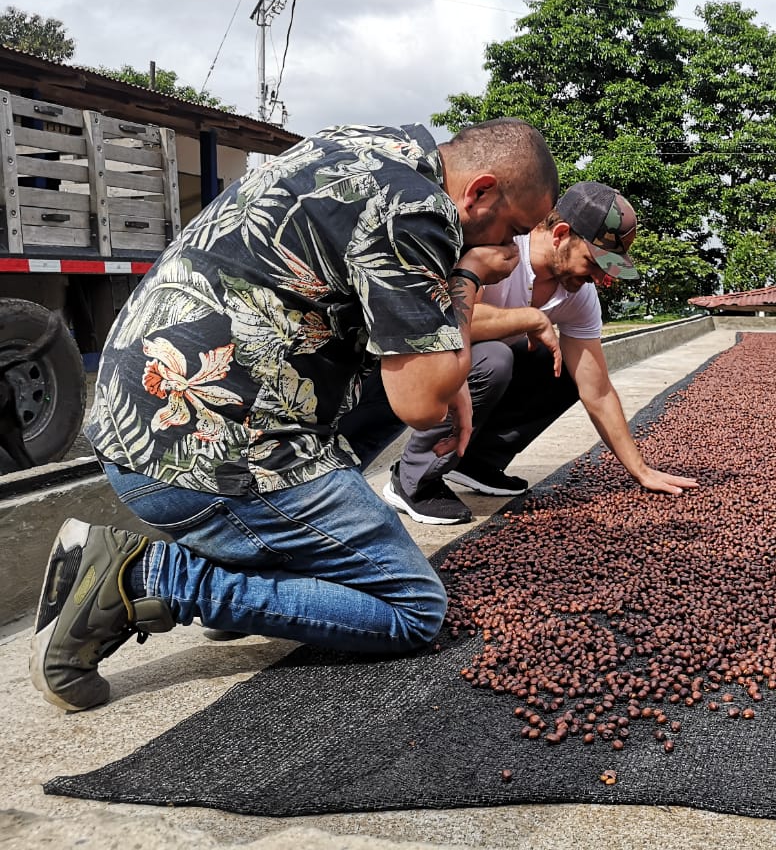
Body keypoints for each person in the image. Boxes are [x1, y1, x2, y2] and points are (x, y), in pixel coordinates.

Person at [30, 118, 559, 712]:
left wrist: (443, 363)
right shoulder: (416, 209)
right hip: (205, 452)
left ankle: (259, 564)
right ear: (480, 192)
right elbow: (423, 403)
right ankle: (150, 578)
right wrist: (464, 278)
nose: (512, 250)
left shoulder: (369, 145)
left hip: (137, 420)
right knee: (413, 610)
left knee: (401, 378)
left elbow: (403, 356)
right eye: (513, 229)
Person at [352, 181, 698, 525]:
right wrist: (529, 317)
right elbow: (443, 320)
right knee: (494, 361)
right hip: (406, 366)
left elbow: (598, 388)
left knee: (565, 369)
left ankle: (476, 463)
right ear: (561, 234)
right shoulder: (501, 249)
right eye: (594, 263)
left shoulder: (578, 295)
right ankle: (413, 481)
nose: (600, 278)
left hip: (467, 373)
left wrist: (641, 470)